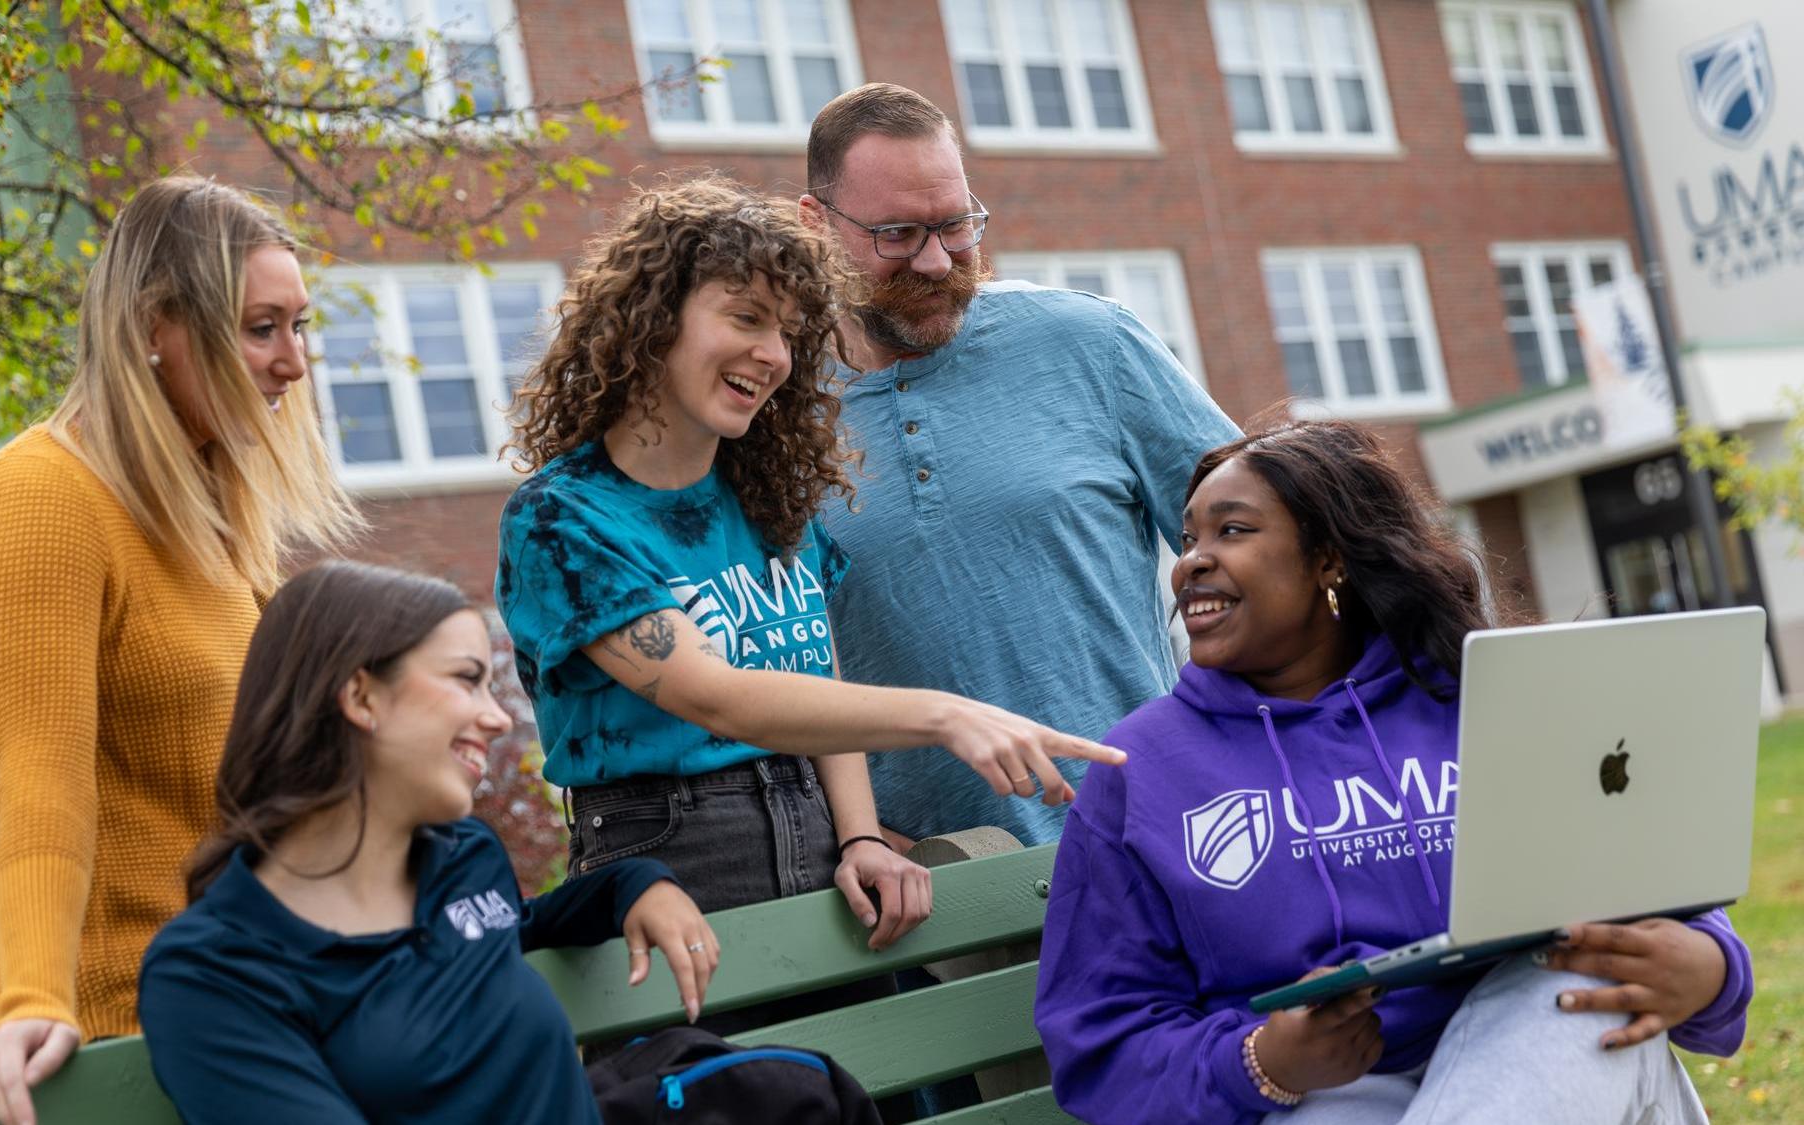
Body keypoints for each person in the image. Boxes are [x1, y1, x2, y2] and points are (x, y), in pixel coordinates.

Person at [1034, 420, 1753, 1124]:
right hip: (1319, 1097)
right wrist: (1264, 1059)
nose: (1191, 560)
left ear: (1328, 559)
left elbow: (1633, 885)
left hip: (1536, 1048)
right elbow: (1102, 1043)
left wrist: (1713, 966)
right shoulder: (1142, 770)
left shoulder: (1481, 696)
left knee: (1574, 998)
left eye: (1233, 530)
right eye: (1188, 538)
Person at [496, 174, 1123, 966]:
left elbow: (816, 682)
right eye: (748, 318)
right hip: (673, 864)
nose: (774, 356)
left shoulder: (770, 502)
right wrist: (943, 715)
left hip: (822, 855)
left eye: (791, 332)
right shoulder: (563, 518)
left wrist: (860, 835)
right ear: (653, 323)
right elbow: (714, 695)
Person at [0, 177, 359, 1124]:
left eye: (301, 326)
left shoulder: (212, 517)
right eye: (261, 328)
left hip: (261, 1018)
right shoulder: (38, 501)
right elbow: (41, 787)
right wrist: (31, 1000)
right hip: (120, 1042)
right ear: (158, 326)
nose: (293, 364)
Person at [797, 83, 1241, 850]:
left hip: (1158, 840)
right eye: (898, 233)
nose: (937, 262)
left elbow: (1264, 555)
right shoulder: (769, 412)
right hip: (937, 906)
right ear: (816, 226)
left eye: (957, 224)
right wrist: (859, 834)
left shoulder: (1090, 342)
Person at [136, 561, 713, 1123]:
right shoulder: (213, 971)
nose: (496, 718)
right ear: (361, 697)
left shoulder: (463, 858)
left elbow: (503, 930)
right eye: (467, 680)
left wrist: (633, 885)